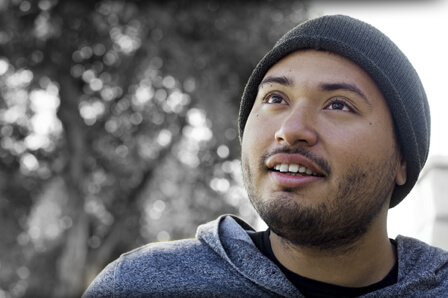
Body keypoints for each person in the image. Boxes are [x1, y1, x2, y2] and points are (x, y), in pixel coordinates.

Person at [83, 15, 448, 297]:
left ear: (402, 160)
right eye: (275, 98)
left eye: (339, 105)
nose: (291, 129)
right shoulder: (139, 285)